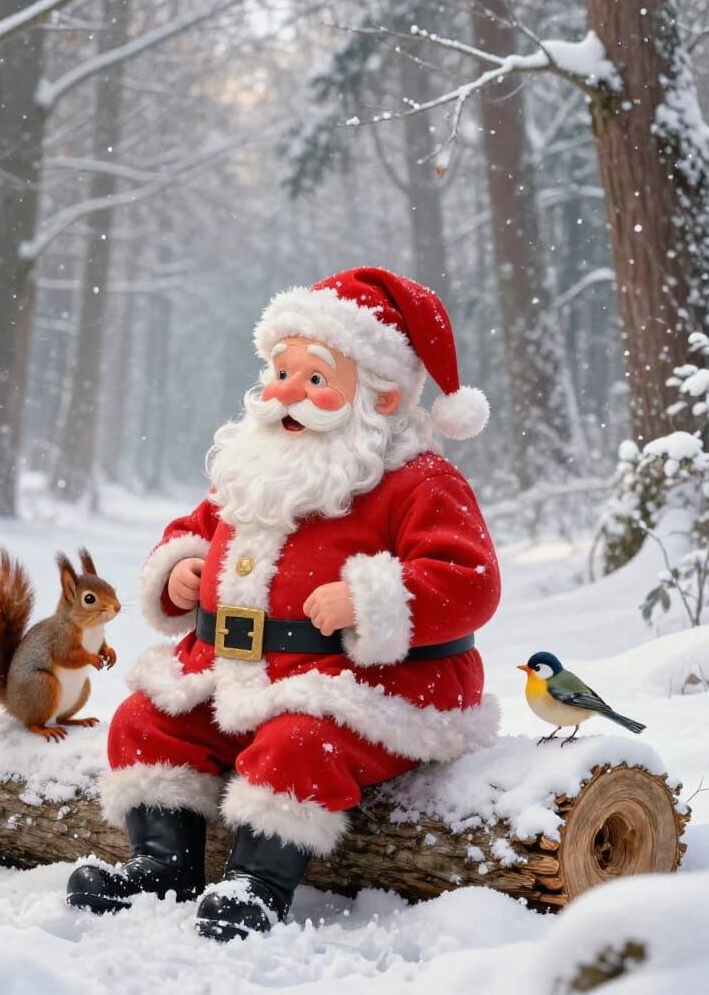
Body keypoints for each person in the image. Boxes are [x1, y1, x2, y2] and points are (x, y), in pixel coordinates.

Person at [67, 266, 502, 941]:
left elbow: (469, 578)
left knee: (298, 744)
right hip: (236, 671)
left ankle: (256, 885)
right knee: (144, 721)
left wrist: (372, 599)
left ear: (381, 398)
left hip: (361, 686)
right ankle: (162, 864)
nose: (286, 394)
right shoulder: (254, 466)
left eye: (317, 378)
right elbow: (195, 530)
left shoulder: (418, 480)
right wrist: (181, 570)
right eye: (280, 371)